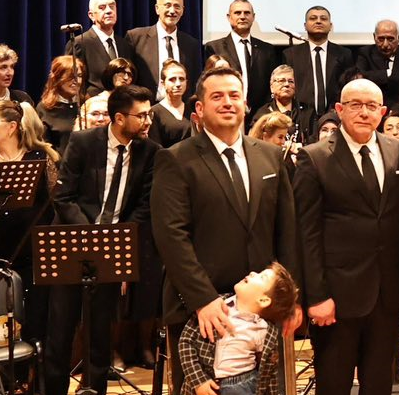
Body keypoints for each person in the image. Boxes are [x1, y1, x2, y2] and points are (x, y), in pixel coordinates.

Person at [150, 67, 300, 395]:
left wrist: (289, 299)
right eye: (217, 96)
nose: (227, 102)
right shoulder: (175, 159)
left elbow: (286, 230)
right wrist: (203, 300)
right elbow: (171, 236)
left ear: (245, 104)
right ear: (200, 109)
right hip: (201, 311)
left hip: (261, 307)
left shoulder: (271, 156)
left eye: (234, 95)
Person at [46, 85, 159, 395]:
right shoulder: (83, 142)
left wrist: (113, 240)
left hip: (112, 248)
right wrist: (92, 236)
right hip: (72, 244)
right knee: (60, 331)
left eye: (149, 114)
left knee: (100, 333)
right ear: (119, 118)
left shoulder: (150, 151)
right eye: (142, 115)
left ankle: (95, 390)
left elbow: (144, 206)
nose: (148, 121)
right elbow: (63, 197)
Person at [294, 78, 399, 395]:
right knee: (334, 386)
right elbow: (307, 233)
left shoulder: (396, 151)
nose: (364, 112)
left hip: (387, 295)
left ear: (382, 112)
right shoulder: (314, 157)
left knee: (379, 385)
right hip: (336, 298)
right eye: (355, 105)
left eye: (371, 106)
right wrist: (316, 296)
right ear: (340, 109)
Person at [0, 100, 58, 342]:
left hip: (34, 251)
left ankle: (33, 365)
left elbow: (57, 202)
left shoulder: (41, 158)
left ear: (12, 126)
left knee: (36, 318)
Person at [179, 263, 299, 395]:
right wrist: (198, 381)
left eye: (262, 277)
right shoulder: (215, 308)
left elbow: (269, 374)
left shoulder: (264, 331)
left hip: (243, 386)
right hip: (208, 384)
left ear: (263, 300)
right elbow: (185, 342)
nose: (253, 273)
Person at [126, 0, 202, 101]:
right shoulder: (136, 38)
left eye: (177, 6)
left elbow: (195, 80)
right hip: (145, 106)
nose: (172, 11)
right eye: (167, 5)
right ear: (157, 9)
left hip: (181, 107)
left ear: (182, 10)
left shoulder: (191, 44)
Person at [205, 0, 278, 113]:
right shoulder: (214, 48)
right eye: (238, 13)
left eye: (247, 13)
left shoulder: (267, 50)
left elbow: (271, 85)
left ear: (253, 17)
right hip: (226, 111)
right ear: (229, 17)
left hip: (260, 115)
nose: (242, 16)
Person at [282, 6, 353, 117]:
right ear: (305, 26)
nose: (318, 21)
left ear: (330, 26)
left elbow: (348, 87)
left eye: (323, 18)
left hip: (335, 116)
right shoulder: (291, 54)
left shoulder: (344, 54)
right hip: (300, 117)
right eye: (313, 18)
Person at [66, 0, 134, 98]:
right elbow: (72, 81)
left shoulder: (123, 43)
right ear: (91, 15)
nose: (109, 11)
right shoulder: (80, 43)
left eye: (112, 6)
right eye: (102, 8)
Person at [36, 55, 87, 154]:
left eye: (79, 76)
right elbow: (43, 146)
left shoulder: (87, 104)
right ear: (57, 78)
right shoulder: (45, 108)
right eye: (71, 77)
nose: (76, 81)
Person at [249, 65, 313, 141]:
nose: (287, 84)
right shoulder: (262, 115)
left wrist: (301, 146)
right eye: (282, 81)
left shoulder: (307, 112)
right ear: (272, 87)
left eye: (291, 81)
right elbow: (254, 143)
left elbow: (315, 140)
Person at [77, 58, 135, 131]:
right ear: (111, 74)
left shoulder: (133, 103)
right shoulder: (93, 102)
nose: (126, 78)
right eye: (122, 73)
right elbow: (79, 131)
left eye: (129, 75)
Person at [356, 20, 399, 111]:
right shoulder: (365, 53)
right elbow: (360, 78)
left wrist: (375, 76)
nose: (385, 44)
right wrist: (389, 73)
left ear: (398, 38)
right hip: (372, 108)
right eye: (381, 39)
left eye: (390, 39)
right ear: (374, 37)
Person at [149, 59, 193, 148]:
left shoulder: (193, 109)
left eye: (182, 79)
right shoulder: (154, 112)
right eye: (172, 79)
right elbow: (155, 148)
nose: (178, 84)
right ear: (163, 83)